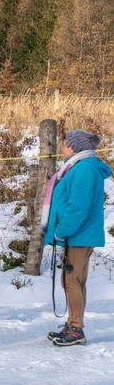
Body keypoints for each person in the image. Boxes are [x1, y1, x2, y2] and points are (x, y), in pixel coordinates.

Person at [44, 130, 111, 346]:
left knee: (71, 281)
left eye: (65, 144)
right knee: (74, 281)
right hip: (80, 234)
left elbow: (77, 207)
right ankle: (74, 324)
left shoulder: (83, 170)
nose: (62, 147)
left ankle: (76, 328)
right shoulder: (79, 167)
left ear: (75, 147)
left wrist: (60, 231)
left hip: (78, 235)